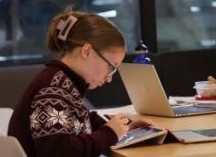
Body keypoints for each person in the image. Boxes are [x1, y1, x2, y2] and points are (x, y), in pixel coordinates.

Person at [8, 11, 153, 157]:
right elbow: (59, 152)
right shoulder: (53, 90)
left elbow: (79, 123)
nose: (109, 78)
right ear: (87, 51)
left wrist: (124, 128)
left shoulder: (63, 83)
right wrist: (108, 133)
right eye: (111, 67)